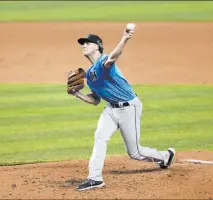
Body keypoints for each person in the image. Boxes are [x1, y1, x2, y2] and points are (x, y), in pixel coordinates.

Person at [72, 24, 175, 191]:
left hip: (129, 108)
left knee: (135, 153)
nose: (84, 45)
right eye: (83, 43)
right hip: (111, 109)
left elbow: (113, 57)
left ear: (97, 46)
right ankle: (95, 178)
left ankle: (165, 157)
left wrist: (125, 39)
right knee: (100, 137)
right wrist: (77, 94)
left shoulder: (103, 61)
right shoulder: (90, 75)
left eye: (88, 43)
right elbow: (95, 100)